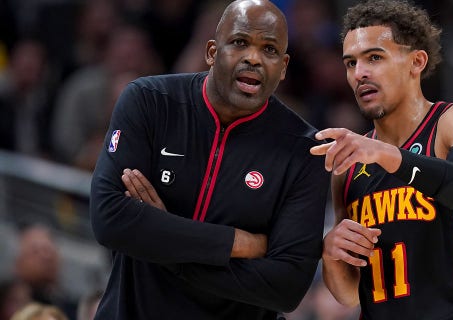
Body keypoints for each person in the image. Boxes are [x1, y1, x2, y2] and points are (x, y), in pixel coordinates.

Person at [89, 0, 330, 319]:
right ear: (212, 52)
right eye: (240, 42)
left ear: (283, 67)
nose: (253, 58)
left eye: (270, 50)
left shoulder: (304, 150)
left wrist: (162, 242)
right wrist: (235, 243)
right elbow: (109, 219)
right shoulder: (149, 102)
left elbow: (285, 287)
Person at [309, 1, 453, 318]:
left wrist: (387, 154)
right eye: (350, 63)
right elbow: (349, 294)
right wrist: (331, 252)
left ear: (416, 62)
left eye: (374, 57)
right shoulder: (349, 163)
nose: (360, 73)